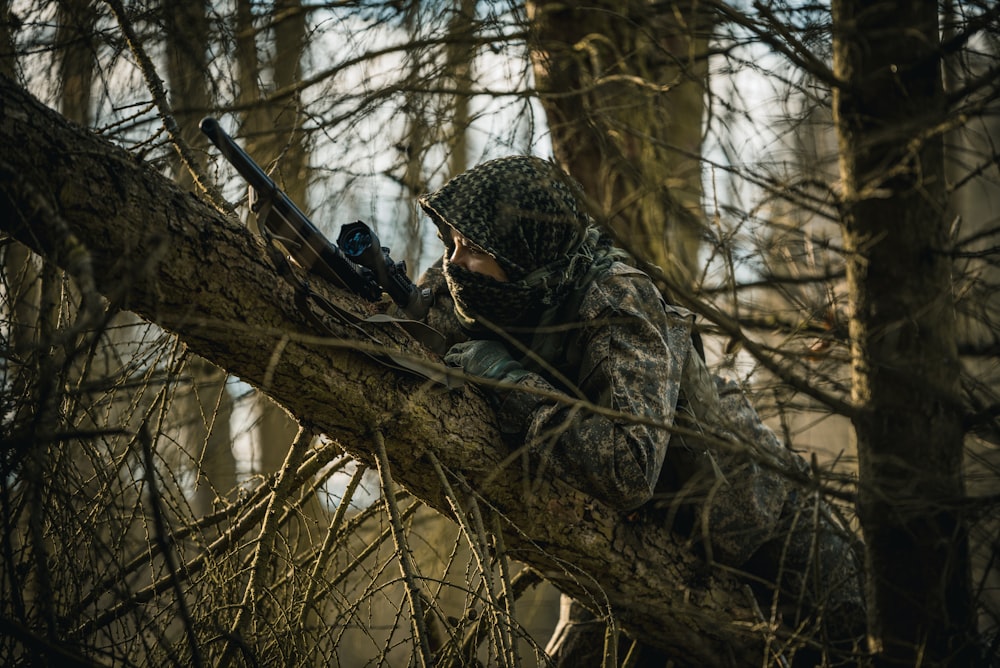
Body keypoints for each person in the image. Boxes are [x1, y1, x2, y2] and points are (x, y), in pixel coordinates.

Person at [415, 155, 865, 665]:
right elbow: (428, 306)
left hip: (771, 532)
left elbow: (627, 467)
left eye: (472, 247)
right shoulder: (496, 287)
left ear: (521, 250)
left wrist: (513, 383)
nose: (455, 261)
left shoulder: (616, 297)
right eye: (451, 243)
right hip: (643, 545)